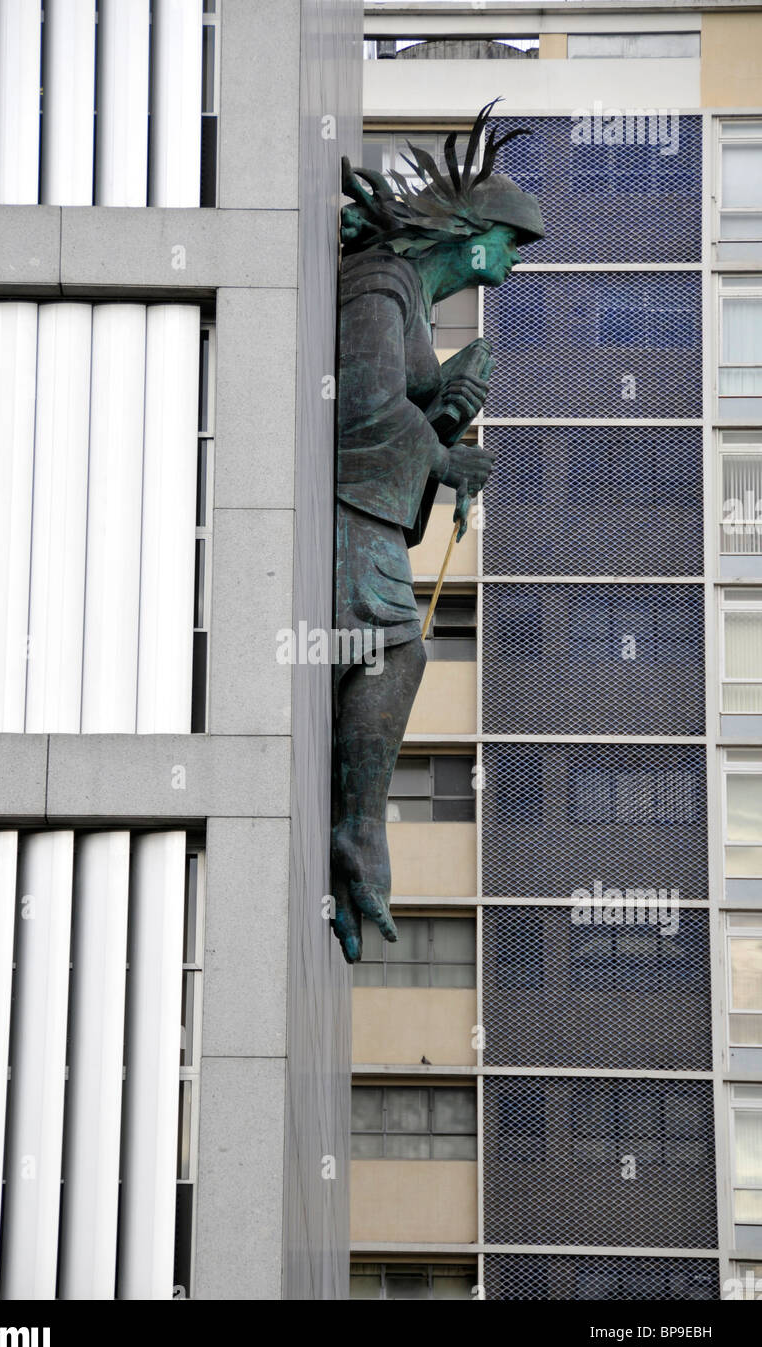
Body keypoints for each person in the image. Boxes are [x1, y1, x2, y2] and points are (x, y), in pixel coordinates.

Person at [331, 99, 545, 963]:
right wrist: (442, 455)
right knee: (396, 651)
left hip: (373, 512)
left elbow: (401, 412)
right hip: (353, 513)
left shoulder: (411, 304)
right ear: (470, 232)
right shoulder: (382, 282)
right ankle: (358, 830)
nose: (504, 269)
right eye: (507, 247)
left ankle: (356, 831)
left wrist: (447, 418)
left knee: (396, 652)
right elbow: (365, 405)